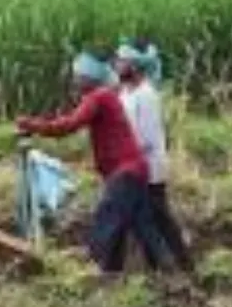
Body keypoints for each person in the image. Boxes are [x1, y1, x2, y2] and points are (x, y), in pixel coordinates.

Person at [15, 51, 172, 274]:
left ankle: (94, 270)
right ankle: (165, 272)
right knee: (142, 227)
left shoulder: (98, 97)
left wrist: (31, 125)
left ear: (89, 78)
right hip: (134, 170)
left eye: (78, 76)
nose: (74, 80)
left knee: (106, 221)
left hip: (125, 172)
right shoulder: (105, 96)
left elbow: (69, 125)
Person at [112, 37, 194, 273]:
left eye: (121, 61)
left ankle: (181, 264)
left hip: (148, 168)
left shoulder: (146, 96)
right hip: (132, 165)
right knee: (147, 219)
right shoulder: (125, 93)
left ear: (134, 67)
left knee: (159, 219)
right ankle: (161, 266)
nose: (116, 65)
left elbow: (146, 139)